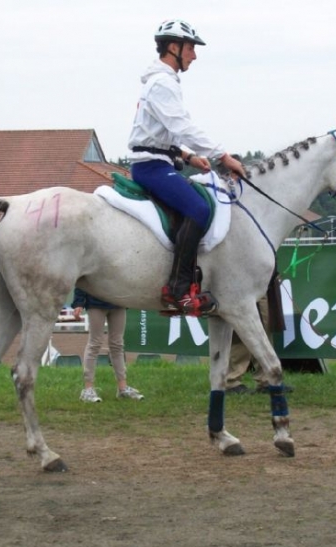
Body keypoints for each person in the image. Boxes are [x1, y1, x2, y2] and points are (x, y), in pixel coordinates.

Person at [128, 19, 244, 317]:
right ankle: (178, 291)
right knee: (199, 209)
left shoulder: (162, 82)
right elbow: (182, 126)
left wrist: (190, 157)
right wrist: (223, 156)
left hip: (160, 159)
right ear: (173, 47)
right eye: (191, 48)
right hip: (151, 166)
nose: (194, 55)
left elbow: (162, 133)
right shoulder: (163, 83)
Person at [71, 288, 144, 403]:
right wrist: (78, 302)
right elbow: (83, 279)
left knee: (117, 344)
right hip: (95, 302)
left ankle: (123, 389)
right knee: (95, 344)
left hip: (118, 302)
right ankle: (88, 390)